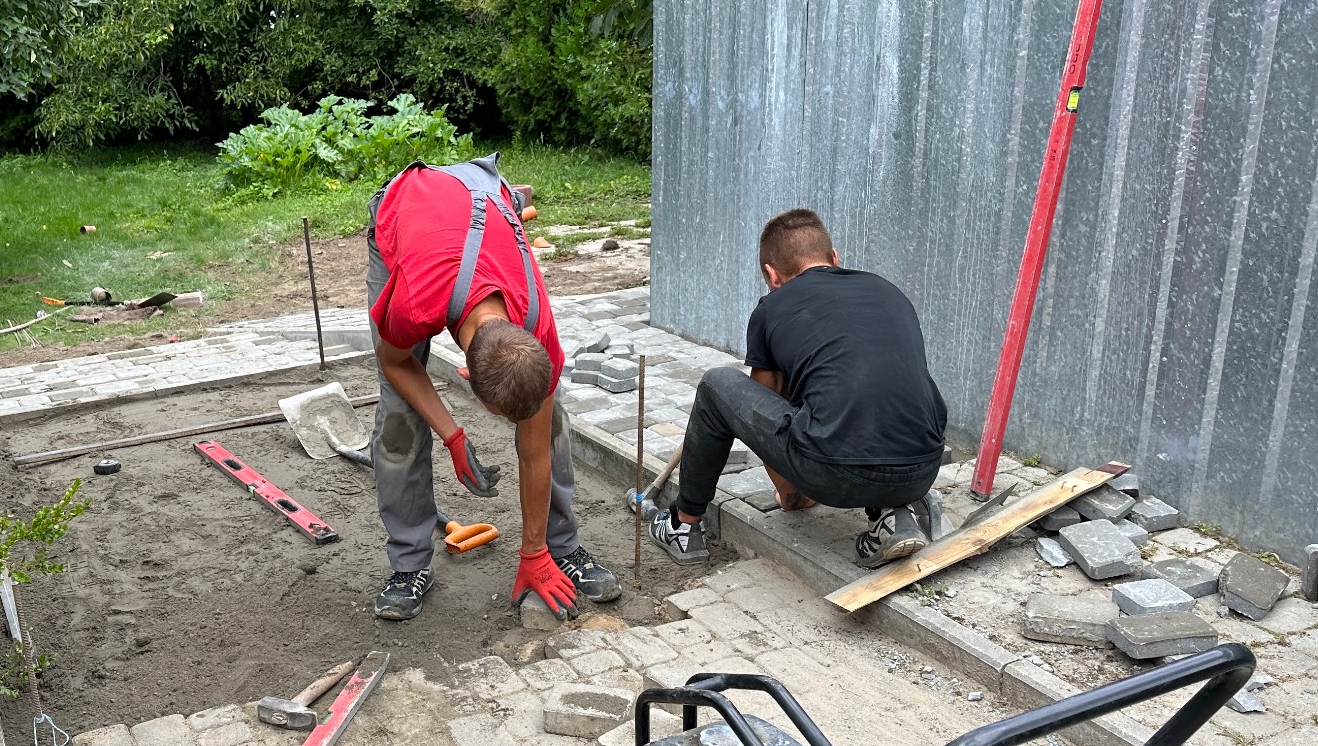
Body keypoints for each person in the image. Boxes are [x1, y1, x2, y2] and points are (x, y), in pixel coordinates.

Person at [365, 154, 620, 621]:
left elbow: (535, 450)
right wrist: (452, 435)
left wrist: (532, 554)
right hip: (407, 216)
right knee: (401, 414)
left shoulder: (538, 327)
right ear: (465, 376)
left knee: (551, 421)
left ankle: (559, 547)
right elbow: (394, 361)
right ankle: (409, 565)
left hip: (479, 207)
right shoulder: (414, 304)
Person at [648, 208, 947, 569]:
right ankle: (894, 514)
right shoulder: (888, 291)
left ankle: (682, 525)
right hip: (923, 469)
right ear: (834, 258)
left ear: (772, 275)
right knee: (861, 397)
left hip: (834, 476)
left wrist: (791, 496)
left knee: (717, 384)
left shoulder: (771, 308)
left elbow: (763, 412)